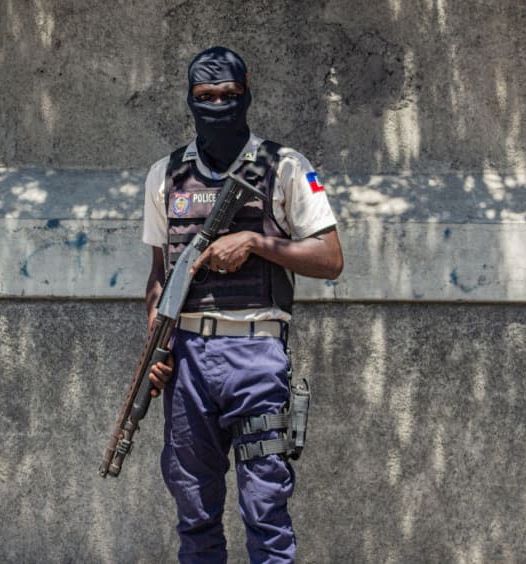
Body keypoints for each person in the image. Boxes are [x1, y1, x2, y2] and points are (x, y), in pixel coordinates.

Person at [141, 46, 343, 564]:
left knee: (266, 509)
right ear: (189, 101)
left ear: (247, 94)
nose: (218, 107)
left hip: (255, 355)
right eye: (205, 98)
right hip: (187, 360)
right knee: (194, 511)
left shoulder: (288, 167)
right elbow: (160, 277)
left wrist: (257, 244)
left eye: (229, 96)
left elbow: (330, 257)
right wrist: (158, 350)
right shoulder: (165, 176)